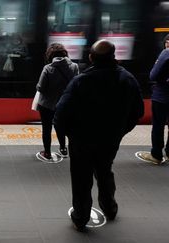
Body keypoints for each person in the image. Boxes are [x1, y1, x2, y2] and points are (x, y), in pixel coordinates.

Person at [54, 40, 144, 231]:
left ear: (91, 58)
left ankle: (80, 217)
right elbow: (138, 112)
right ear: (114, 57)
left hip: (81, 141)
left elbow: (60, 115)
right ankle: (110, 208)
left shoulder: (81, 81)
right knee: (104, 171)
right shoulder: (127, 79)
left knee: (81, 178)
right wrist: (120, 131)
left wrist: (70, 135)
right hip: (110, 140)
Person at [36, 43, 79, 161]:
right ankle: (63, 149)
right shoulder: (74, 66)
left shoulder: (48, 68)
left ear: (50, 55)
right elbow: (76, 85)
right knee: (62, 126)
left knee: (47, 128)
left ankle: (47, 153)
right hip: (65, 104)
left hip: (47, 105)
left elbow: (40, 88)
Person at [136, 34, 169, 164]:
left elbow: (153, 75)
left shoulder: (165, 53)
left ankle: (156, 154)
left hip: (162, 96)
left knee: (158, 126)